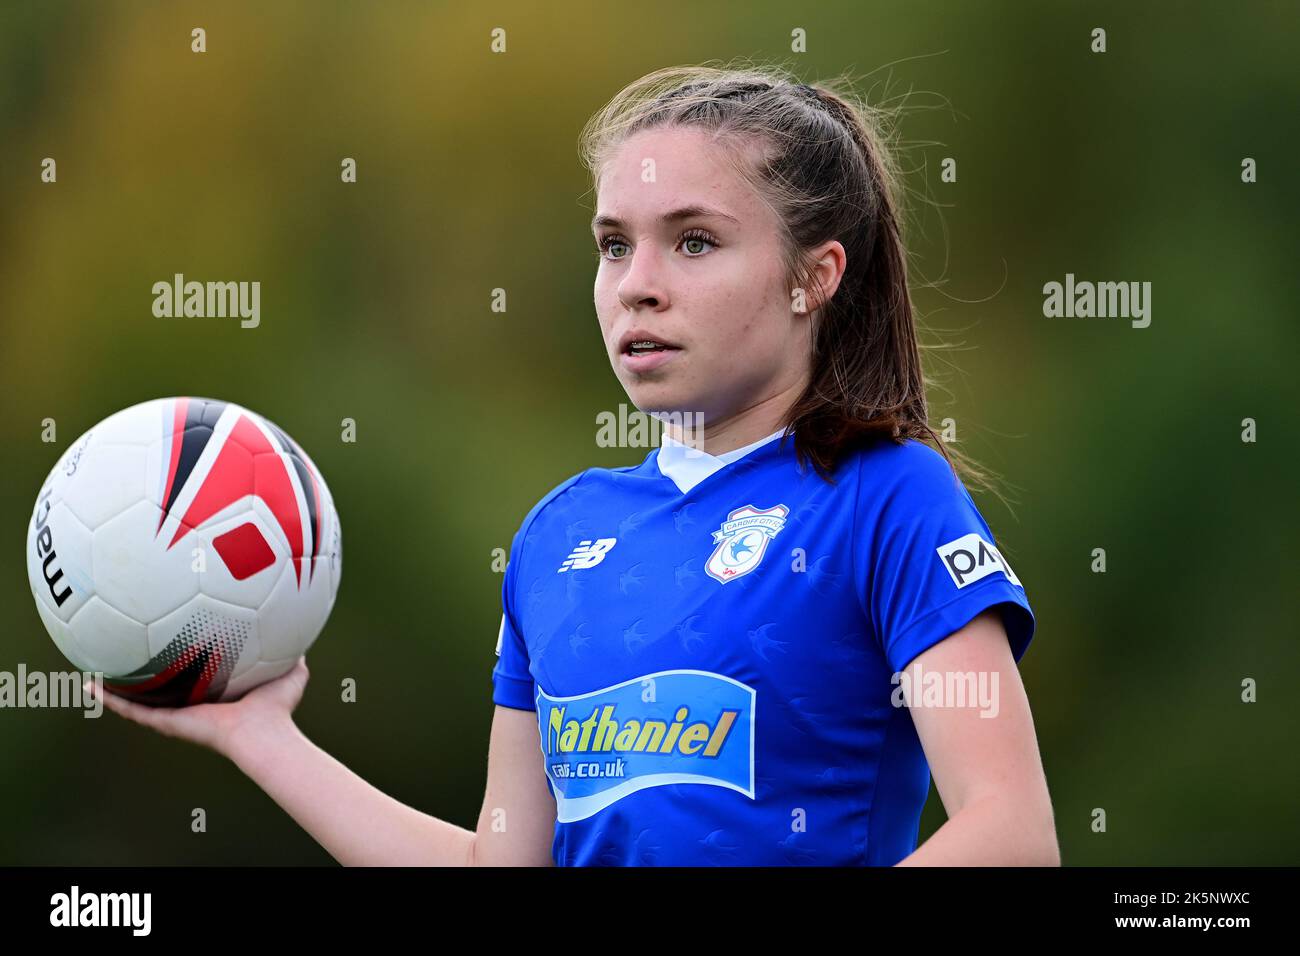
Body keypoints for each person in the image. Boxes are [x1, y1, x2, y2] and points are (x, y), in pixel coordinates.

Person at [93, 63, 1059, 866]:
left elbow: (1011, 833)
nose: (637, 286)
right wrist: (258, 735)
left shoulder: (885, 495)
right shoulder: (561, 534)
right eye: (612, 246)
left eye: (693, 241)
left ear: (815, 276)